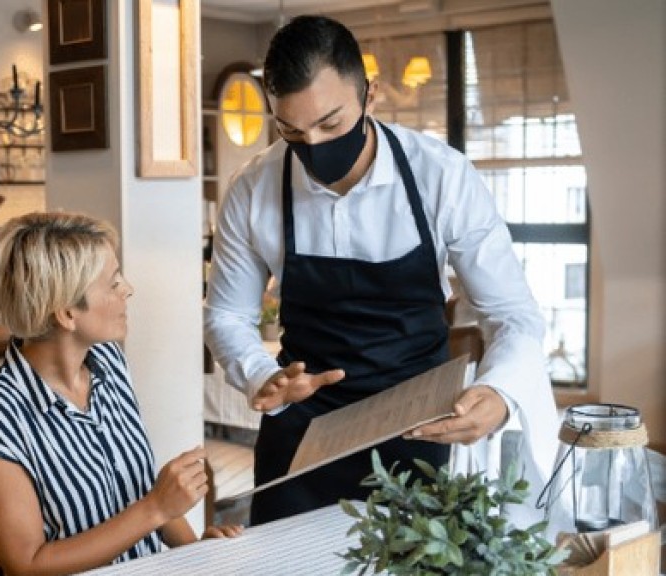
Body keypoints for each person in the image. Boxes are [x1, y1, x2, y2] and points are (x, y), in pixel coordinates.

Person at [203, 15, 558, 526]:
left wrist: (500, 393)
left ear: (369, 95)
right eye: (292, 131)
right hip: (303, 435)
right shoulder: (253, 188)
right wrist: (262, 374)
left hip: (418, 429)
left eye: (330, 124)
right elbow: (227, 318)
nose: (315, 146)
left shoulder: (442, 176)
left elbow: (514, 315)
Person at [0, 212, 242, 576]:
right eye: (113, 282)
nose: (128, 290)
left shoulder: (109, 363)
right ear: (66, 312)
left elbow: (134, 488)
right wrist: (156, 508)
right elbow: (27, 567)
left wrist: (197, 552)